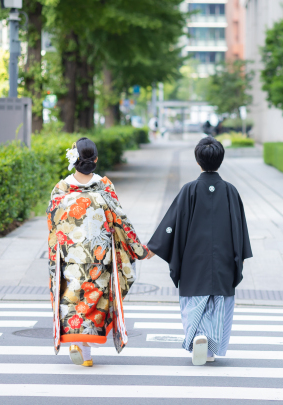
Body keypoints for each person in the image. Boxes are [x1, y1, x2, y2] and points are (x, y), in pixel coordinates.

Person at [145, 136, 253, 365]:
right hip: (223, 260)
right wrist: (239, 256)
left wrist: (153, 248)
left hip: (193, 260)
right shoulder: (230, 191)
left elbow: (171, 222)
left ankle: (197, 336)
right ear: (221, 160)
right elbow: (240, 227)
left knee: (195, 303)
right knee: (218, 306)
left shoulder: (189, 190)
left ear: (198, 161)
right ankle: (210, 348)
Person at [47, 137, 149, 366]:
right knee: (95, 303)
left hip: (71, 257)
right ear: (96, 160)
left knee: (73, 300)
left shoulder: (61, 189)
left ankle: (79, 347)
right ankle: (86, 352)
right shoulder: (104, 186)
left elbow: (52, 224)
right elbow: (120, 221)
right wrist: (139, 250)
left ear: (73, 160)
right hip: (99, 258)